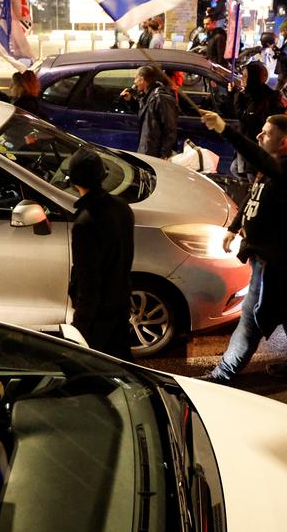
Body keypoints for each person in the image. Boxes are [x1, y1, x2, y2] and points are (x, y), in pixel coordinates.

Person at [199, 111, 287, 383]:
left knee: (250, 320)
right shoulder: (272, 170)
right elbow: (255, 198)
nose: (259, 135)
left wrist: (224, 129)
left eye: (267, 132)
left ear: (284, 140)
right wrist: (234, 227)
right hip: (272, 259)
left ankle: (223, 373)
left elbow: (256, 156)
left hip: (274, 264)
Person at [67, 146, 136, 359]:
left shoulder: (84, 224)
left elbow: (89, 283)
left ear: (75, 181)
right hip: (120, 303)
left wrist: (79, 328)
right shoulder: (122, 207)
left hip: (98, 317)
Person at [229, 62, 287, 177]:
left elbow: (245, 116)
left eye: (245, 76)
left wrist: (237, 96)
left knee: (249, 177)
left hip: (254, 148)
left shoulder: (262, 98)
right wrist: (234, 93)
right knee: (235, 169)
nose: (242, 79)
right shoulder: (252, 93)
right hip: (247, 145)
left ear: (253, 78)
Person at [120, 64, 178, 159]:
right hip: (147, 150)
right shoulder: (148, 95)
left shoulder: (161, 98)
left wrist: (164, 155)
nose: (134, 82)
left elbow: (170, 129)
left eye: (136, 79)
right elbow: (145, 113)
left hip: (155, 153)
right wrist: (130, 100)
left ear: (142, 80)